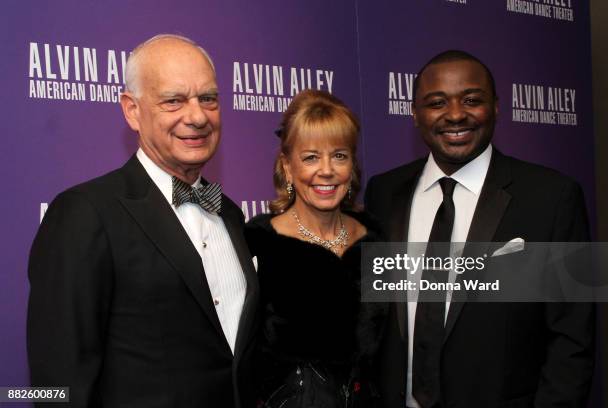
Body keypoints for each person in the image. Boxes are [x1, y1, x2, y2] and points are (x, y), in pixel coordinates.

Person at [27, 34, 258, 408]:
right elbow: (57, 382)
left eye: (208, 98)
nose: (197, 116)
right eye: (173, 101)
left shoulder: (230, 213)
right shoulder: (84, 213)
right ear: (132, 110)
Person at [364, 50, 594, 408]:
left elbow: (574, 338)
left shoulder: (553, 196)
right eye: (436, 102)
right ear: (414, 114)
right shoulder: (383, 192)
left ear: (497, 107)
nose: (455, 114)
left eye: (472, 100)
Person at [246, 89, 385, 408]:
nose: (327, 170)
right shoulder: (259, 243)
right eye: (311, 157)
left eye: (339, 155)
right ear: (288, 166)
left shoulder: (376, 240)